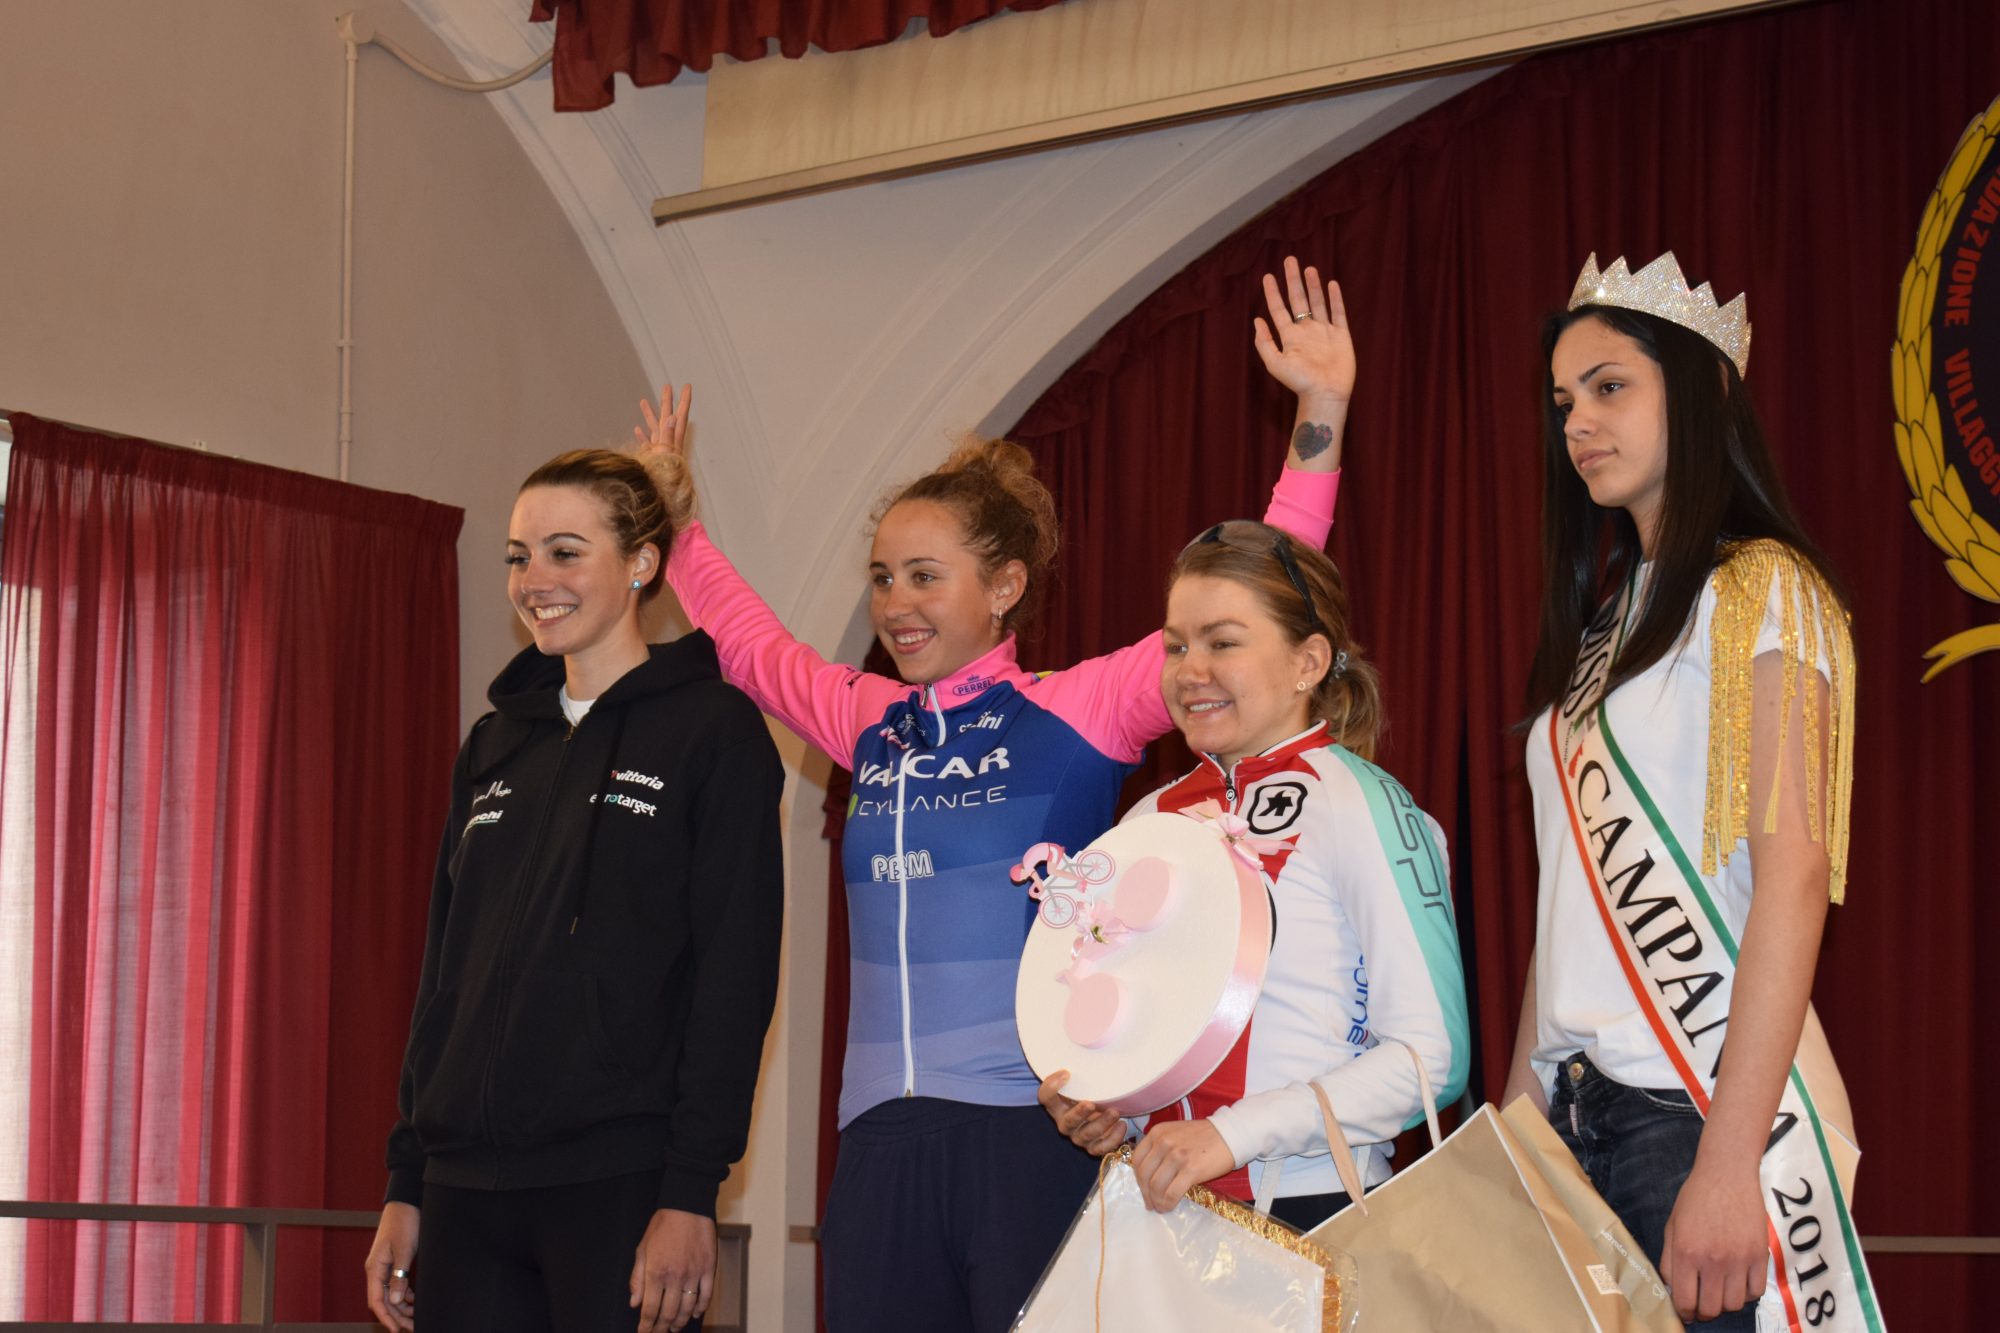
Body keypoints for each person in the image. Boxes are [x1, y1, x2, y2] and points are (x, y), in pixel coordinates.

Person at [635, 259, 1352, 1330]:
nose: (896, 603)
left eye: (926, 576)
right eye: (883, 577)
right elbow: (748, 645)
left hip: (1032, 1134)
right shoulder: (867, 719)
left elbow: (1256, 591)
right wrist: (678, 523)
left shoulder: (1078, 708)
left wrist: (1319, 411)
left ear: (1004, 586)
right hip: (877, 1145)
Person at [1500, 254, 1870, 1330]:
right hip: (1576, 1113)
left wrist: (1728, 1159)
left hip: (1695, 1111)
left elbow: (1793, 877)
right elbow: (1569, 896)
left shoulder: (1765, 587)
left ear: (1702, 390)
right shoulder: (1603, 628)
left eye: (1609, 386)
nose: (1577, 422)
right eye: (1563, 401)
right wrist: (1521, 1114)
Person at [363, 450, 785, 1333]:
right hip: (463, 1189)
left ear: (641, 562)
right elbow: (444, 973)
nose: (535, 580)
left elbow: (735, 975)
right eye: (519, 556)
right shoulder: (493, 744)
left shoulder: (713, 730)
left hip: (619, 1184)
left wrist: (690, 1189)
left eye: (565, 552)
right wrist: (408, 1179)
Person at [1038, 520, 1470, 1231]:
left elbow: (1432, 1059)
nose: (1190, 670)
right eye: (1177, 645)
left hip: (1315, 1208)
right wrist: (1111, 1106)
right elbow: (1150, 1031)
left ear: (1308, 661)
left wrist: (1231, 1135)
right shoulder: (1149, 816)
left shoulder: (1361, 803)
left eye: (1223, 642)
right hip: (1159, 1213)